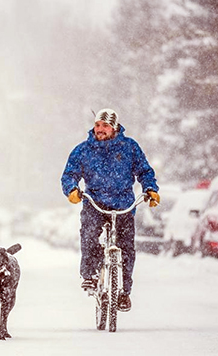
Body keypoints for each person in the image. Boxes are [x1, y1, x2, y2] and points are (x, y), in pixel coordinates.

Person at [60, 108, 159, 312]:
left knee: (126, 247)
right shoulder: (84, 150)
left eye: (105, 125)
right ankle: (90, 274)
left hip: (123, 204)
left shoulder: (129, 147)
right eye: (97, 125)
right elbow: (69, 174)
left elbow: (144, 171)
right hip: (94, 203)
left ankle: (123, 293)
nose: (100, 129)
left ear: (114, 127)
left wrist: (150, 189)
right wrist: (72, 189)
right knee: (89, 235)